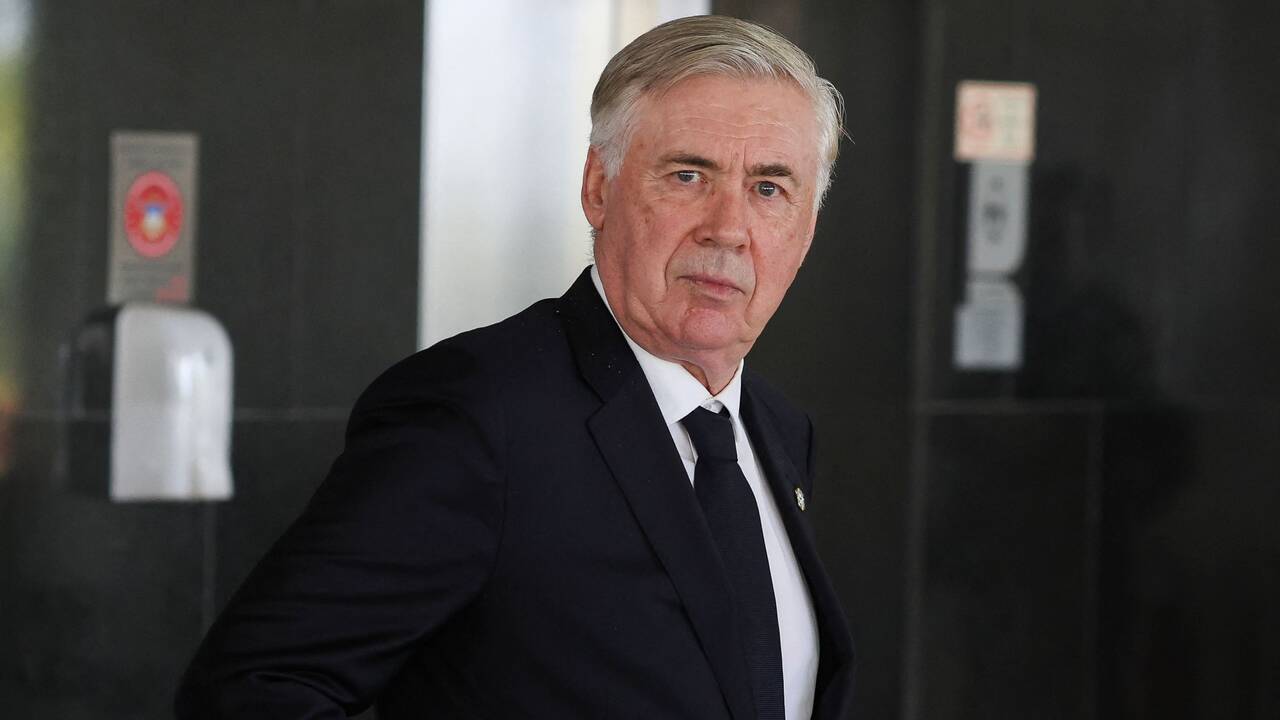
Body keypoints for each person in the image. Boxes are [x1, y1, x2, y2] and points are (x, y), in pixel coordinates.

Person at [176, 15, 854, 720]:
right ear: (598, 187)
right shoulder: (477, 415)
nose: (728, 228)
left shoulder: (778, 431)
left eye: (769, 189)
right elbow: (254, 689)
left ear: (806, 228)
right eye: (689, 176)